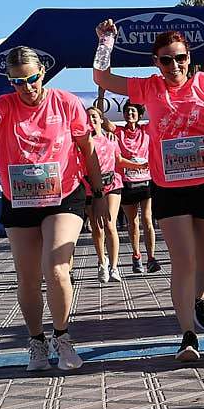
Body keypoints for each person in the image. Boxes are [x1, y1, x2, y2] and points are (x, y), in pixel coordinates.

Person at [92, 23, 204, 364]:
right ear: (157, 62)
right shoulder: (151, 88)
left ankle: (197, 297)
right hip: (169, 188)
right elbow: (102, 79)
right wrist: (106, 43)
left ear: (189, 58)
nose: (174, 66)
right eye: (166, 61)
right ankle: (188, 334)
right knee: (183, 260)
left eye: (180, 59)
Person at [0, 48, 104, 371]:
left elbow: (87, 148)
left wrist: (98, 191)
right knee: (28, 278)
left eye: (32, 79)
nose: (27, 88)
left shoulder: (66, 102)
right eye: (18, 82)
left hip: (64, 195)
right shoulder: (4, 105)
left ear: (42, 72)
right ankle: (37, 341)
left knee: (57, 269)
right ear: (10, 82)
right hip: (20, 200)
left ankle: (63, 337)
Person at [112, 102, 159, 275]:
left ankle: (151, 258)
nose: (130, 113)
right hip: (127, 182)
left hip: (146, 180)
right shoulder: (118, 132)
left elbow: (160, 113)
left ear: (139, 115)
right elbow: (101, 120)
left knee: (147, 219)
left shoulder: (146, 130)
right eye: (127, 111)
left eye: (133, 111)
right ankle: (136, 256)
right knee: (132, 222)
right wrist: (101, 94)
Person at [84, 104, 125, 283]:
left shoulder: (111, 139)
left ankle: (114, 266)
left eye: (94, 116)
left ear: (101, 119)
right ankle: (102, 262)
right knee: (96, 226)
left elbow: (119, 160)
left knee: (109, 224)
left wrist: (140, 165)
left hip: (112, 184)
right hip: (90, 186)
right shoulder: (81, 142)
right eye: (88, 118)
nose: (91, 120)